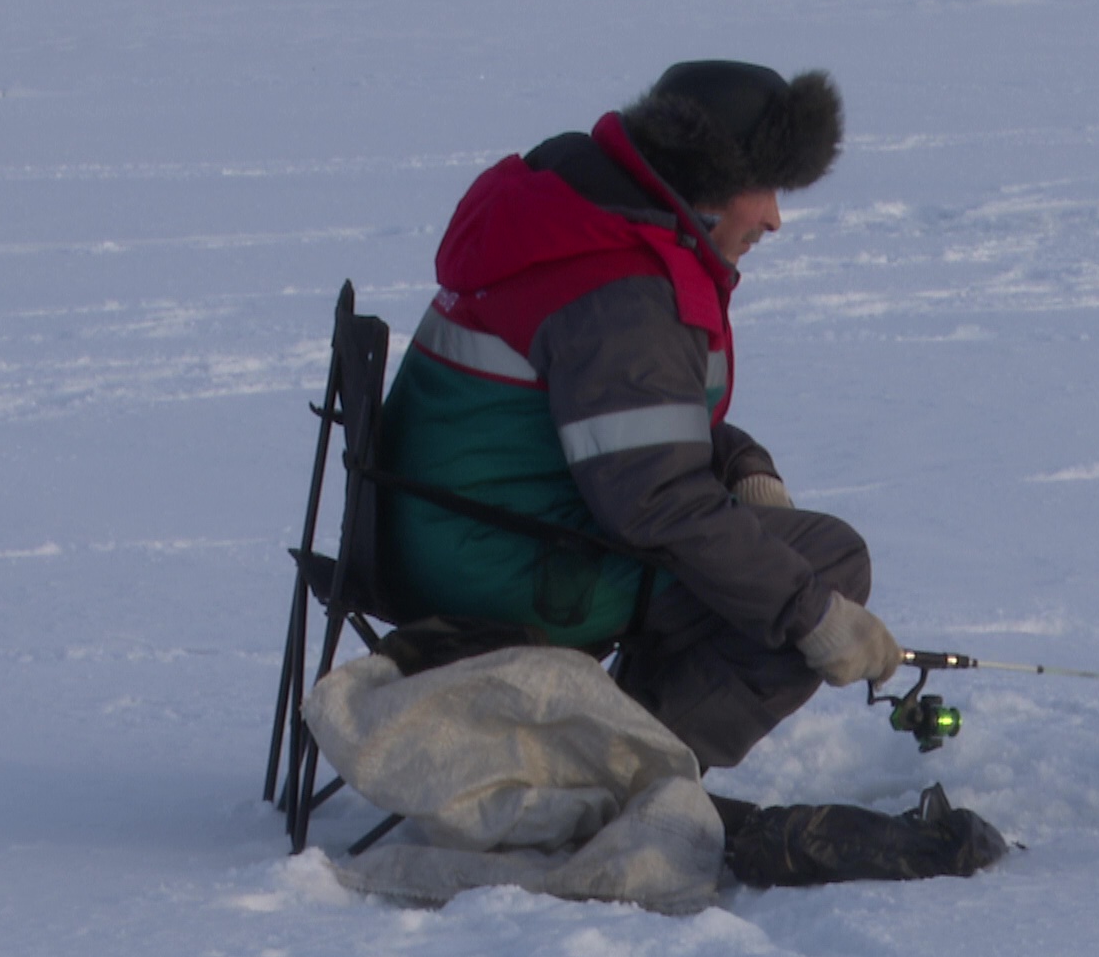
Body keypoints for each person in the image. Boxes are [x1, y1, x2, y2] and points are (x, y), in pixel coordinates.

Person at [378, 60, 903, 773]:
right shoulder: (626, 288)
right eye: (767, 187)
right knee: (823, 563)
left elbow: (621, 415)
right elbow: (655, 503)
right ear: (709, 182)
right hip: (505, 564)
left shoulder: (582, 221)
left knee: (760, 560)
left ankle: (609, 736)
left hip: (455, 528)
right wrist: (815, 613)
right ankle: (616, 774)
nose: (776, 219)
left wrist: (739, 462)